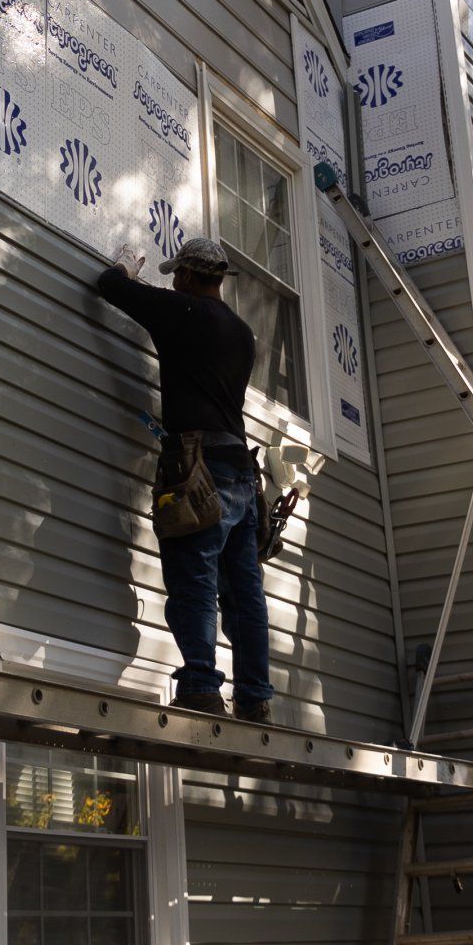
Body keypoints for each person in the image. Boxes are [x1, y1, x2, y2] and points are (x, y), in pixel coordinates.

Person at [95, 236, 274, 723]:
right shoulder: (242, 333)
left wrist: (129, 265)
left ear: (192, 276)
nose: (172, 280)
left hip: (198, 466)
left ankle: (200, 684)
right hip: (241, 470)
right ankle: (255, 696)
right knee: (243, 591)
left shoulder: (184, 312)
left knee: (194, 576)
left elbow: (110, 287)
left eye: (177, 274)